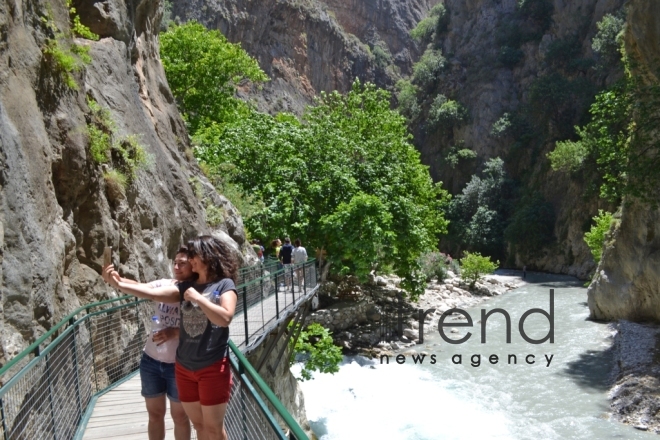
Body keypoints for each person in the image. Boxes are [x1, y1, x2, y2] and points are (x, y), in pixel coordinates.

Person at [103, 236, 238, 440]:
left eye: (193, 256)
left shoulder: (224, 284)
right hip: (184, 367)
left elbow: (225, 318)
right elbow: (153, 293)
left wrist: (199, 298)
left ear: (208, 256)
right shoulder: (185, 287)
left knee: (213, 430)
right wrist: (118, 284)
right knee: (199, 425)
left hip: (212, 365)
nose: (190, 260)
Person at [107, 248, 192, 440]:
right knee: (155, 415)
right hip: (152, 360)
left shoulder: (190, 290)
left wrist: (174, 332)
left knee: (179, 416)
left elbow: (153, 295)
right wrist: (116, 278)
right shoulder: (165, 283)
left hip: (178, 364)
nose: (177, 267)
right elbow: (141, 286)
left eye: (183, 263)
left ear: (193, 265)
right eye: (175, 262)